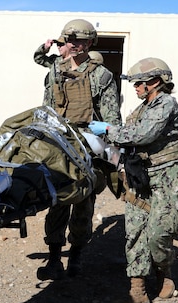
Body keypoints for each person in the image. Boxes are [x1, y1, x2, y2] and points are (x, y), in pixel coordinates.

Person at [91, 57, 178, 303]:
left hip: (169, 178)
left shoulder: (166, 104)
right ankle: (137, 290)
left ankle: (164, 271)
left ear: (156, 82)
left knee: (158, 235)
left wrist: (107, 130)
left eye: (139, 83)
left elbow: (142, 134)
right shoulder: (141, 109)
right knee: (135, 233)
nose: (135, 87)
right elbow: (130, 138)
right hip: (142, 178)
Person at [37, 18, 121, 280]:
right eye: (70, 40)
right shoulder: (55, 70)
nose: (75, 45)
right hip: (59, 143)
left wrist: (110, 146)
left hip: (87, 146)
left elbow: (112, 119)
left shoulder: (101, 76)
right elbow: (47, 106)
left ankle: (76, 258)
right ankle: (53, 259)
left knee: (83, 203)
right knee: (57, 200)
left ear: (90, 43)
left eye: (81, 40)